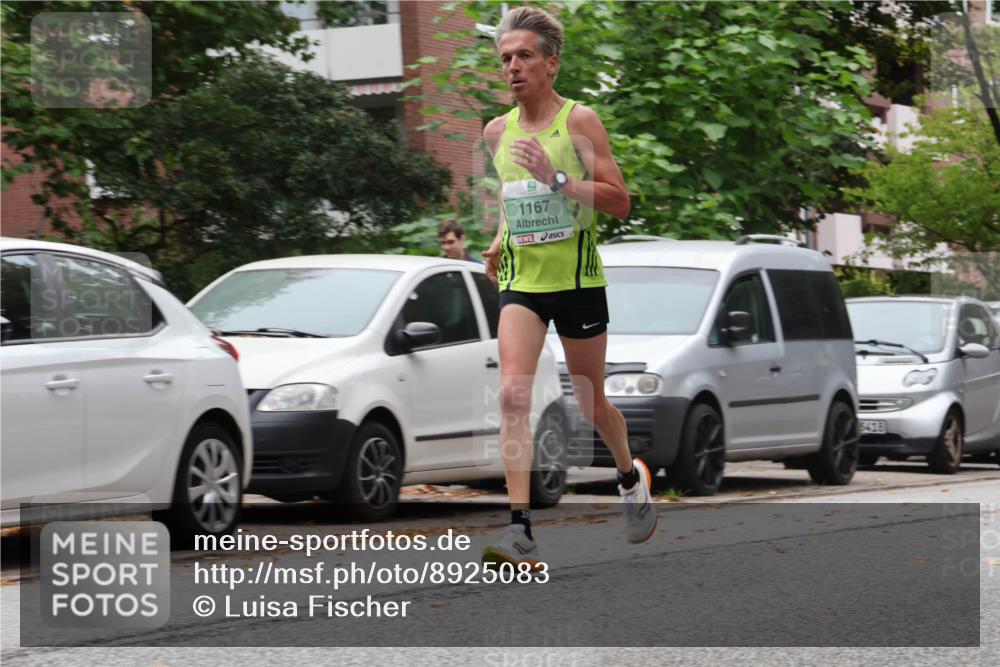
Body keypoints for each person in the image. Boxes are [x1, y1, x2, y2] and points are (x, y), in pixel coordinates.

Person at [481, 6, 656, 568]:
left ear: (551, 64)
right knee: (512, 394)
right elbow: (513, 200)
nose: (513, 67)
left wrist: (555, 178)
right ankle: (520, 530)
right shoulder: (495, 132)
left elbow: (619, 201)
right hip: (523, 282)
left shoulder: (579, 122)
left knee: (589, 402)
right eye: (505, 57)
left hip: (577, 282)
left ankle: (630, 476)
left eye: (525, 56)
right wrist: (497, 238)